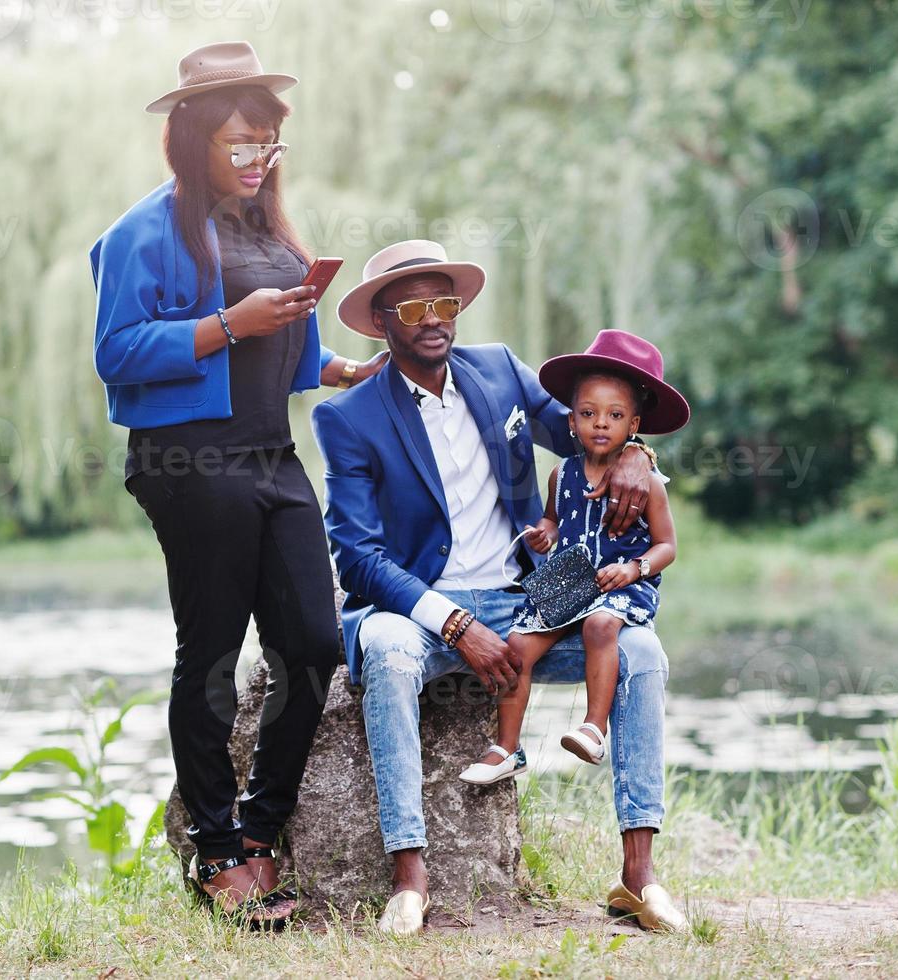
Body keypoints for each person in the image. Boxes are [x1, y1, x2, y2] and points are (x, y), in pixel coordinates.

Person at [89, 41, 386, 929]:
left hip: (269, 456)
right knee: (211, 653)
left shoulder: (264, 228)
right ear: (192, 138)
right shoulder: (142, 230)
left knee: (312, 640)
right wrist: (226, 323)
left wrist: (328, 365)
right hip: (188, 463)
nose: (260, 160)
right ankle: (215, 852)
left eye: (271, 144)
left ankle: (260, 830)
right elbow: (115, 351)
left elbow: (276, 338)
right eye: (243, 143)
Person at [311, 241, 683, 936]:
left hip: (524, 599)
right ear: (380, 323)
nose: (434, 319)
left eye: (444, 302)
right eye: (414, 306)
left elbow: (589, 434)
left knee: (639, 652)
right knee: (389, 654)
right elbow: (356, 556)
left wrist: (637, 453)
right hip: (415, 607)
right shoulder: (347, 418)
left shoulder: (501, 373)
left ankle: (638, 877)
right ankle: (409, 877)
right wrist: (453, 624)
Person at [459, 331, 686, 786]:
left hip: (619, 580)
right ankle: (507, 748)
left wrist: (635, 567)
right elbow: (553, 520)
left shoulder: (650, 485)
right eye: (588, 414)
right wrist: (543, 534)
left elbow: (667, 547)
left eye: (615, 416)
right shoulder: (561, 473)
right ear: (570, 423)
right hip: (569, 579)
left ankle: (593, 727)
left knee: (600, 626)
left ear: (633, 425)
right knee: (518, 645)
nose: (600, 424)